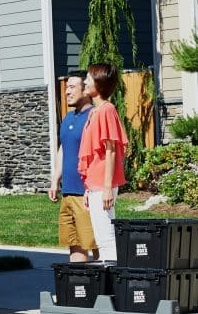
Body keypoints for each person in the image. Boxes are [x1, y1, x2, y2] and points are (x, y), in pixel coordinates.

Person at [78, 63, 128, 261]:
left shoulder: (107, 110)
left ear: (99, 83)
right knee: (100, 236)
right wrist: (88, 189)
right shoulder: (94, 112)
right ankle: (107, 279)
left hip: (103, 183)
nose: (85, 82)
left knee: (106, 236)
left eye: (89, 78)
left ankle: (113, 282)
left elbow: (111, 149)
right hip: (95, 184)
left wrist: (107, 186)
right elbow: (94, 154)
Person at [49, 71, 99, 262]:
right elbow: (64, 148)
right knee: (75, 245)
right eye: (66, 87)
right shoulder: (68, 118)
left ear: (85, 90)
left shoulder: (93, 116)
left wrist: (92, 188)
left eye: (72, 87)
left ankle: (105, 288)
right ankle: (80, 287)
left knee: (95, 244)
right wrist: (55, 180)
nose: (67, 91)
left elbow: (100, 154)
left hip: (86, 195)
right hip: (68, 193)